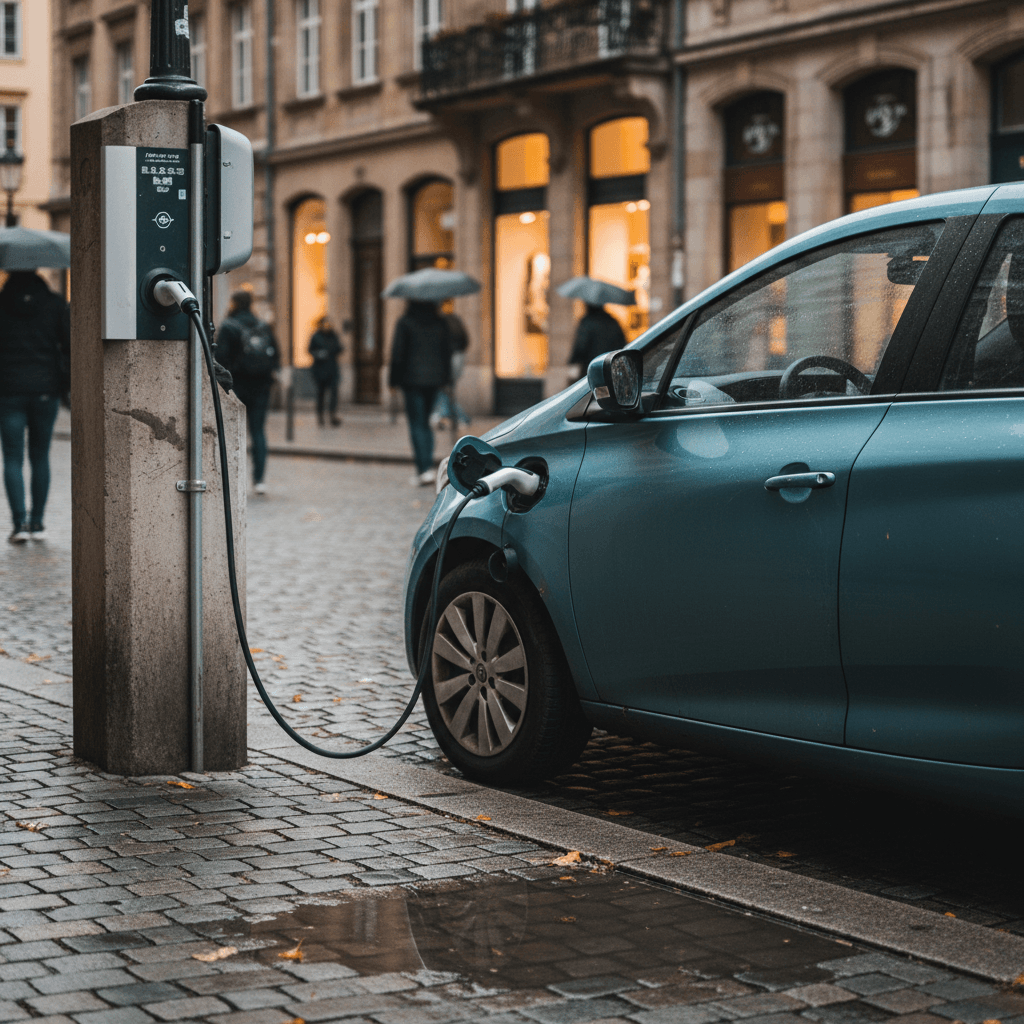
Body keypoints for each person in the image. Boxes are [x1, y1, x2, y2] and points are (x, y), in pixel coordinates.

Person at [0, 271, 70, 544]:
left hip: (8, 390)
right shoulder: (54, 304)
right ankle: (38, 523)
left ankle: (19, 524)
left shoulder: (2, 303)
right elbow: (66, 346)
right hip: (45, 389)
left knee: (12, 458)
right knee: (40, 456)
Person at [214, 290, 279, 495]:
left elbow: (220, 359)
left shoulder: (229, 326)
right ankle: (259, 480)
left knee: (233, 431)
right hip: (261, 386)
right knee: (258, 432)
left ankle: (232, 479)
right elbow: (276, 355)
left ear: (234, 303)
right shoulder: (263, 326)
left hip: (237, 385)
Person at [388, 300, 453, 485]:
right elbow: (446, 352)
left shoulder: (405, 322)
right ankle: (427, 467)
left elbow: (397, 353)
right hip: (434, 380)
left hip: (412, 381)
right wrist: (446, 379)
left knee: (417, 424)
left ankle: (423, 468)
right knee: (425, 423)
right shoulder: (440, 322)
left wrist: (393, 381)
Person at [430, 311, 471, 430]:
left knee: (444, 391)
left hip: (447, 365)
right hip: (457, 363)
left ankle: (444, 415)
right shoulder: (458, 328)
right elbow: (466, 342)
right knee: (447, 392)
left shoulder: (443, 328)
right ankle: (445, 416)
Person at [569, 303, 628, 379]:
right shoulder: (613, 322)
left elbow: (581, 346)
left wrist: (573, 361)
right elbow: (622, 345)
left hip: (591, 368)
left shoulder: (587, 322)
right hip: (611, 369)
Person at [308, 316, 343, 427]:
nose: (327, 326)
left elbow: (340, 348)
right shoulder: (316, 336)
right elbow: (310, 350)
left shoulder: (334, 335)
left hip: (332, 369)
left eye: (329, 323)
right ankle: (320, 416)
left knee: (334, 393)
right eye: (325, 323)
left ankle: (332, 415)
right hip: (320, 370)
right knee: (321, 394)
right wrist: (319, 354)